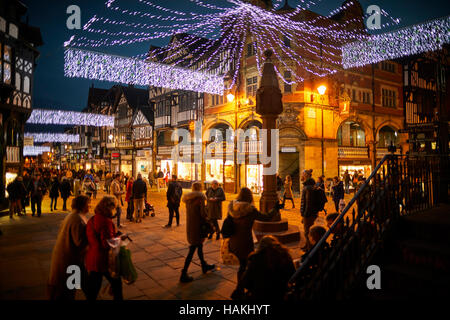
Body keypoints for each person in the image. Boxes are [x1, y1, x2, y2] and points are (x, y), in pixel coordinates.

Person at [228, 187, 280, 300]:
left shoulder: (232, 207)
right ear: (249, 196)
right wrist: (275, 209)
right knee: (246, 266)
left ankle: (241, 289)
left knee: (242, 265)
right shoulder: (250, 210)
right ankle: (240, 290)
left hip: (233, 240)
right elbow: (265, 218)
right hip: (245, 241)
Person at [48, 195, 90, 300]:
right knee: (69, 290)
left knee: (85, 286)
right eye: (88, 204)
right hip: (71, 262)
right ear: (82, 206)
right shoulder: (77, 220)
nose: (89, 207)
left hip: (73, 261)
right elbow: (80, 243)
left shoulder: (73, 215)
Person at [85, 196, 125, 300]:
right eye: (114, 207)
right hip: (103, 260)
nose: (114, 210)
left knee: (93, 289)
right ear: (109, 207)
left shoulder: (94, 218)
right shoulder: (105, 222)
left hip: (92, 258)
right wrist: (119, 238)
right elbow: (107, 244)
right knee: (116, 284)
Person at [239, 235, 295, 300]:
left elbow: (245, 282)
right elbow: (292, 275)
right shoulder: (285, 256)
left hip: (259, 295)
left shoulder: (255, 258)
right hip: (279, 294)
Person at [180, 182, 215, 282]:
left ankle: (204, 265)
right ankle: (183, 272)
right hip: (198, 226)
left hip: (191, 225)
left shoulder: (188, 199)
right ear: (200, 188)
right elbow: (203, 214)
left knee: (199, 247)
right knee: (193, 249)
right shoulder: (200, 198)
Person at [300, 169, 317, 251]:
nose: (301, 176)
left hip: (309, 214)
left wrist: (305, 214)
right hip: (310, 213)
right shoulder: (309, 186)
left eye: (302, 174)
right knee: (306, 231)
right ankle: (307, 245)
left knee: (307, 232)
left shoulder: (308, 187)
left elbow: (308, 202)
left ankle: (309, 249)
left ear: (306, 176)